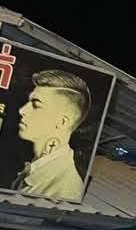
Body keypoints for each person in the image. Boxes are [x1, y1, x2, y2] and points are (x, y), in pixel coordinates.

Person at [13, 69, 91, 201]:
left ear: (62, 122)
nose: (22, 110)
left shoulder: (63, 192)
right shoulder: (39, 167)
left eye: (36, 105)